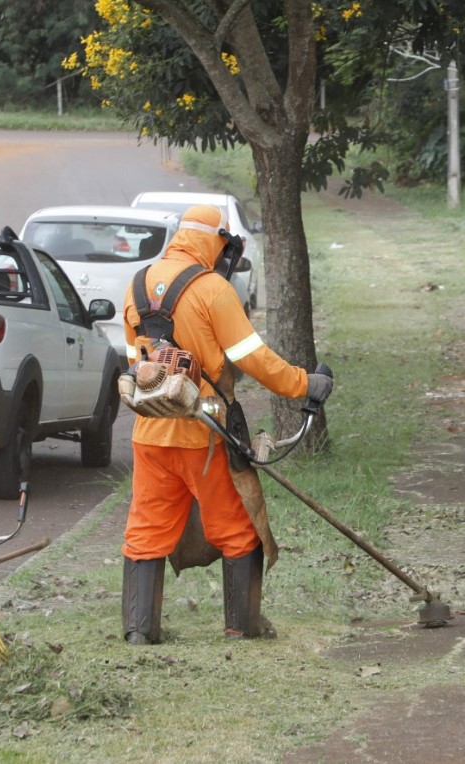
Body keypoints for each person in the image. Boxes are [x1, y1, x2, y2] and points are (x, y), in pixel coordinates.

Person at [118, 205, 334, 644]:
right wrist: (304, 384)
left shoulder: (137, 285)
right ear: (216, 242)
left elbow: (135, 365)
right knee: (238, 527)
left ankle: (140, 632)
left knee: (146, 530)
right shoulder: (213, 289)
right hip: (206, 433)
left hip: (151, 433)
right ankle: (242, 626)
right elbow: (253, 357)